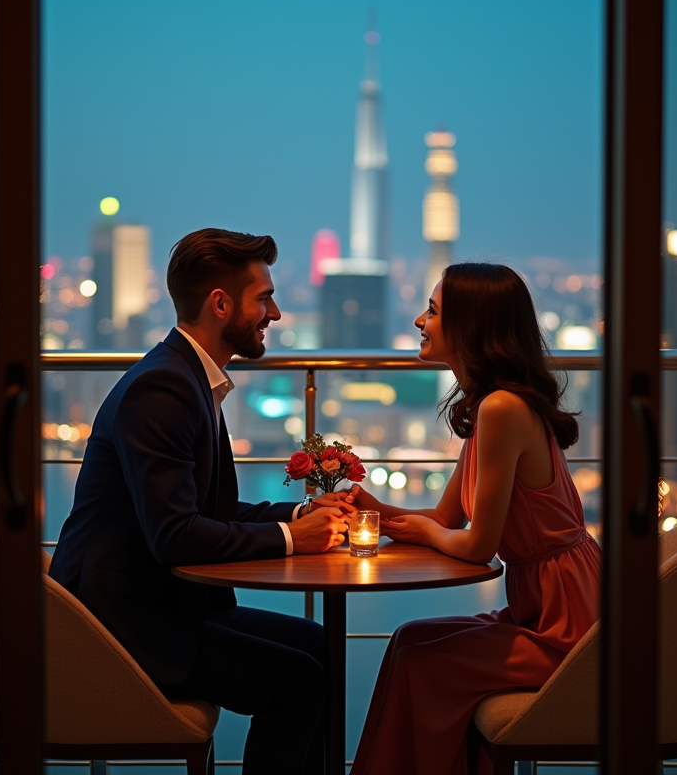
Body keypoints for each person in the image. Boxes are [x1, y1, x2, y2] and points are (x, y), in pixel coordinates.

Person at [48, 228, 351, 775]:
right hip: (117, 627)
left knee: (316, 644)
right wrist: (290, 540)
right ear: (220, 304)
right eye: (264, 298)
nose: (276, 313)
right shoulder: (162, 390)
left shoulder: (188, 379)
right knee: (299, 682)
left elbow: (213, 513)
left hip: (154, 605)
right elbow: (175, 536)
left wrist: (301, 516)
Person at [322, 262, 602, 775]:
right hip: (546, 606)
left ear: (471, 326)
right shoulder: (489, 407)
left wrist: (424, 530)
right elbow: (446, 514)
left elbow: (475, 545)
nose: (417, 321)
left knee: (419, 662)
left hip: (570, 625)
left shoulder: (502, 410)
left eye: (431, 311)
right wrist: (376, 512)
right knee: (408, 639)